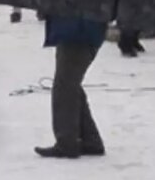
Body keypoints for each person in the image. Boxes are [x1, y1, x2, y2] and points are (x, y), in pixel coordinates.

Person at [35, 15, 108, 159]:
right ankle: (89, 139)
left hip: (78, 32)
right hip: (81, 31)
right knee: (70, 84)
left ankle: (67, 143)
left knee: (65, 86)